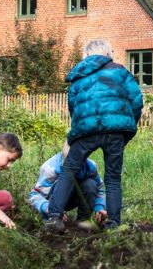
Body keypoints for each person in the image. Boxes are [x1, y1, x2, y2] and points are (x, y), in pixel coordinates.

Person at [44, 39, 143, 232]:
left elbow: (73, 107)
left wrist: (81, 126)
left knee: (69, 170)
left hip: (85, 130)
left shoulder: (78, 75)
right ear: (107, 53)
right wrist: (127, 124)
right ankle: (113, 223)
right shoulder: (120, 71)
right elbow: (136, 100)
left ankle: (54, 217)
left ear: (86, 55)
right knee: (113, 177)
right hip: (116, 130)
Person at [29, 141, 108, 229]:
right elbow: (34, 195)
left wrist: (99, 207)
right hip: (52, 200)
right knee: (66, 179)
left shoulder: (90, 167)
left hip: (73, 197)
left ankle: (83, 220)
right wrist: (47, 208)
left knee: (90, 184)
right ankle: (54, 218)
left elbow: (100, 189)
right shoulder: (50, 168)